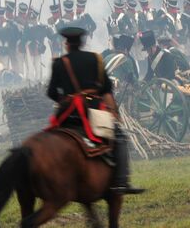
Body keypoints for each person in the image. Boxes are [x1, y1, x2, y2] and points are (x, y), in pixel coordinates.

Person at [47, 27, 144, 195]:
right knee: (120, 138)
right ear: (82, 43)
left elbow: (51, 93)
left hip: (67, 114)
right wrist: (114, 112)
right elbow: (106, 90)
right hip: (93, 112)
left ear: (67, 45)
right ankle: (121, 182)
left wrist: (67, 101)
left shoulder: (59, 63)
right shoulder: (95, 60)